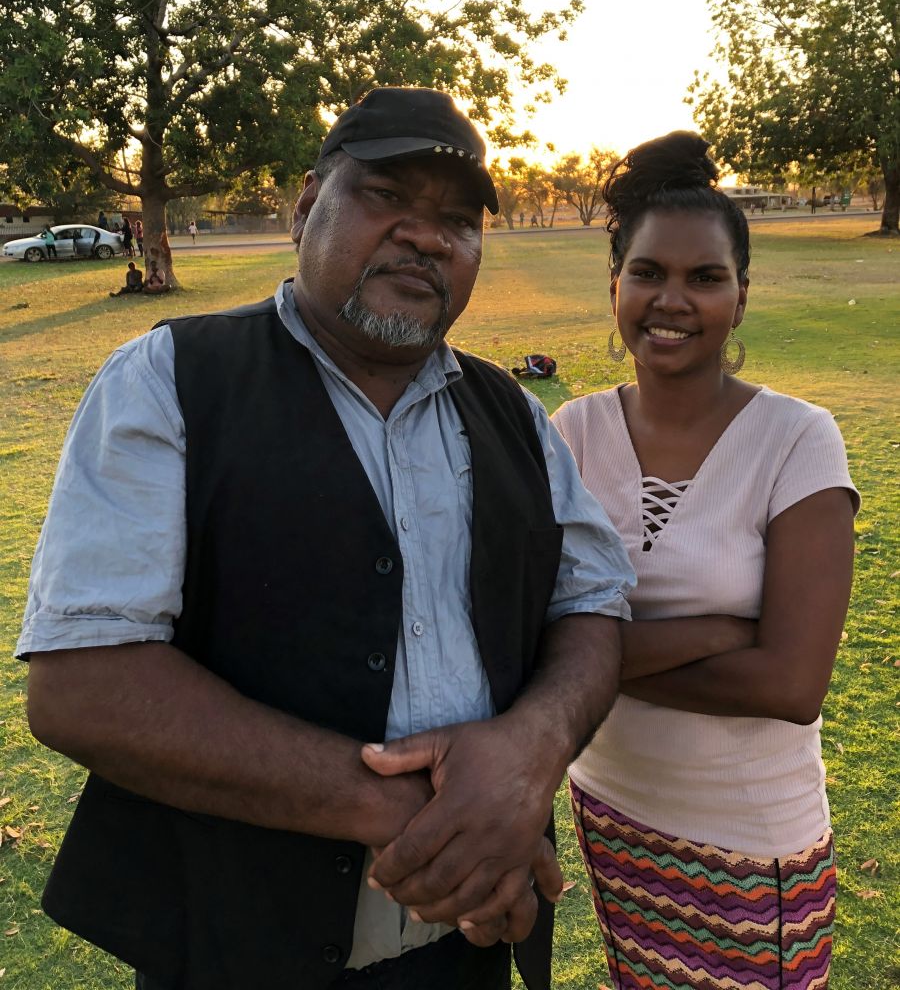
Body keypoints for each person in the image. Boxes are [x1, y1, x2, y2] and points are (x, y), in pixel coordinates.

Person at [18, 87, 634, 990]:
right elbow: (85, 683)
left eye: (458, 221)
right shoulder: (172, 381)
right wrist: (407, 815)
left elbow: (593, 602)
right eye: (388, 197)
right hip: (236, 955)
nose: (427, 238)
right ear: (306, 205)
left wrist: (532, 750)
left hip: (463, 956)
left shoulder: (512, 414)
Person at [552, 131, 858, 990]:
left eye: (704, 276)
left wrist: (591, 664)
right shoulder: (572, 433)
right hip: (612, 812)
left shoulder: (796, 440)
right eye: (648, 272)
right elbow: (526, 628)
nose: (671, 299)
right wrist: (720, 631)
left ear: (742, 295)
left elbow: (792, 687)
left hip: (750, 840)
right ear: (614, 284)